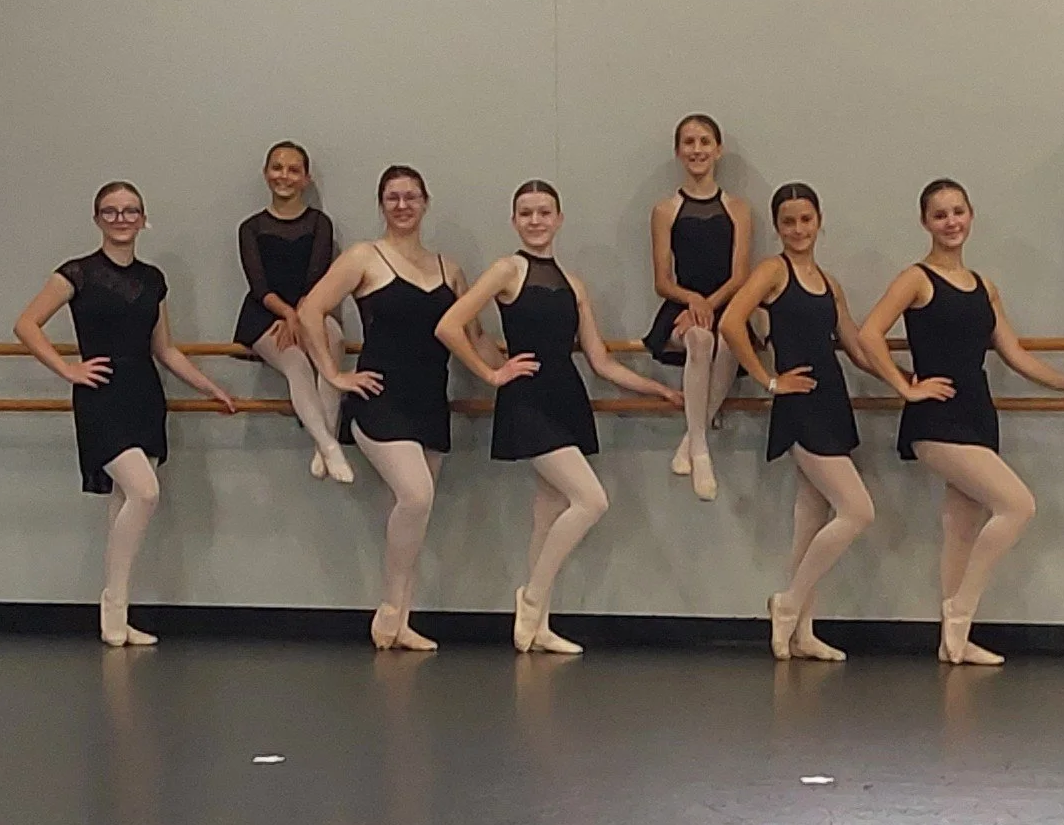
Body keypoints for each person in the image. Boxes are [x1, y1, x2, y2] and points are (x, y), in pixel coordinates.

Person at [858, 179, 1064, 666]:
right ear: (925, 222)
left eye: (958, 212)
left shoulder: (984, 286)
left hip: (977, 410)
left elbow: (1014, 353)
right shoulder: (916, 279)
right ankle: (959, 612)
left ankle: (954, 640)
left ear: (971, 215)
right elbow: (869, 334)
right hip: (936, 416)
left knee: (961, 527)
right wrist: (905, 385)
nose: (951, 222)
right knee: (1018, 505)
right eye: (940, 215)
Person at [437, 180, 681, 657]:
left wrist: (657, 388)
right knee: (591, 500)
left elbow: (600, 360)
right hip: (527, 397)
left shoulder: (574, 282)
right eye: (526, 213)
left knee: (547, 516)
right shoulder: (507, 269)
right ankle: (531, 597)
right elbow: (450, 325)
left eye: (544, 212)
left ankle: (539, 625)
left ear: (559, 218)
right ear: (514, 220)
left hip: (565, 394)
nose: (536, 221)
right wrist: (491, 374)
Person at [13, 180, 237, 648]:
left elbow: (165, 349)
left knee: (124, 503)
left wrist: (208, 386)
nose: (121, 219)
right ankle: (112, 606)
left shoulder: (153, 279)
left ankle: (117, 618)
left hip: (144, 394)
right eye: (111, 211)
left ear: (143, 218)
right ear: (97, 218)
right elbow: (26, 324)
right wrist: (67, 369)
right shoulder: (76, 273)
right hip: (100, 395)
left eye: (130, 210)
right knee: (145, 492)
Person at [297, 166, 466, 653]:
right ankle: (389, 611)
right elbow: (310, 311)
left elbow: (471, 335)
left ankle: (401, 620)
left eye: (411, 196)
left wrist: (501, 372)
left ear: (425, 202)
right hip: (380, 398)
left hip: (430, 399)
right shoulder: (363, 257)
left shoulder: (449, 269)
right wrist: (333, 374)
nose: (402, 205)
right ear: (381, 204)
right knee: (415, 496)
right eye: (393, 197)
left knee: (417, 513)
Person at [719, 182, 876, 661]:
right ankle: (787, 602)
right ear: (777, 227)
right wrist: (768, 380)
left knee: (810, 519)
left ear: (819, 221)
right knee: (858, 511)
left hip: (831, 397)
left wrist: (905, 381)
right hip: (800, 402)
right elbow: (731, 322)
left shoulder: (829, 282)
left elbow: (855, 345)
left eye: (806, 219)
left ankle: (802, 631)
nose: (798, 229)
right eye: (788, 221)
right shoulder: (772, 271)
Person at [644, 113, 753, 504]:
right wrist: (692, 301)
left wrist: (710, 303)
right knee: (700, 339)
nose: (697, 150)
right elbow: (662, 280)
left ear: (718, 149)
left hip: (726, 303)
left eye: (705, 141)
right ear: (678, 151)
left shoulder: (738, 208)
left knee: (727, 338)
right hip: (681, 306)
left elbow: (740, 275)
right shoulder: (666, 210)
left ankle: (692, 438)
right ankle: (701, 453)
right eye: (689, 142)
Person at [232, 141, 352, 483]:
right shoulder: (251, 227)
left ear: (306, 179)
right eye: (277, 167)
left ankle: (322, 438)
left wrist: (301, 314)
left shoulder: (320, 223)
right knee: (296, 363)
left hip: (310, 306)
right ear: (266, 173)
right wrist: (288, 315)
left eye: (293, 169)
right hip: (265, 314)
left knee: (333, 341)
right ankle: (329, 446)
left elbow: (317, 275)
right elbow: (258, 284)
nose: (284, 175)